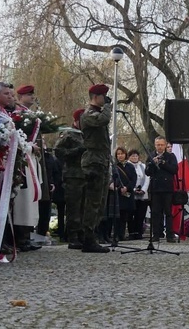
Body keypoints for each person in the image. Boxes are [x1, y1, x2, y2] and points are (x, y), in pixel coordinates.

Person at [79, 83, 113, 253]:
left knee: (100, 202)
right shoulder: (88, 114)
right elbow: (103, 120)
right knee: (92, 201)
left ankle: (93, 235)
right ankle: (88, 238)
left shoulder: (98, 113)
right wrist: (107, 107)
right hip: (93, 161)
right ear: (95, 97)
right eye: (103, 97)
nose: (105, 99)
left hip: (102, 160)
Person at [54, 108, 87, 249]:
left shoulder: (88, 134)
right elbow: (58, 151)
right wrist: (76, 151)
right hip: (73, 175)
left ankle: (83, 235)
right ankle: (72, 236)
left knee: (84, 208)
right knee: (74, 207)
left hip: (87, 174)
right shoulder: (69, 134)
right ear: (76, 120)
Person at [145, 136, 178, 242]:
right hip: (155, 188)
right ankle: (156, 234)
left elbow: (174, 170)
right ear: (155, 145)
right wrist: (152, 164)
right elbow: (147, 172)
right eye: (158, 145)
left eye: (162, 145)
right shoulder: (151, 155)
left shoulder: (171, 156)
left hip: (167, 188)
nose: (160, 147)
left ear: (165, 145)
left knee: (168, 212)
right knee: (155, 213)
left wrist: (163, 163)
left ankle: (169, 234)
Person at [108, 147, 136, 241]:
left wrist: (127, 188)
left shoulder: (130, 166)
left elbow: (133, 180)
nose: (120, 156)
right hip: (118, 193)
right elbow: (113, 178)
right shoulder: (115, 166)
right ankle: (115, 234)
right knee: (117, 215)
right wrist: (119, 188)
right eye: (118, 154)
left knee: (125, 215)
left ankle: (122, 234)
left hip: (127, 193)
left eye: (122, 153)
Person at [128, 149, 149, 239]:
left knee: (140, 215)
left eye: (136, 156)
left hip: (142, 194)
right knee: (131, 214)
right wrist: (133, 189)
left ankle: (139, 232)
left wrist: (143, 189)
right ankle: (131, 232)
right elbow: (128, 180)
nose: (134, 157)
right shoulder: (127, 166)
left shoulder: (143, 166)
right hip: (131, 194)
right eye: (132, 156)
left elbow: (147, 179)